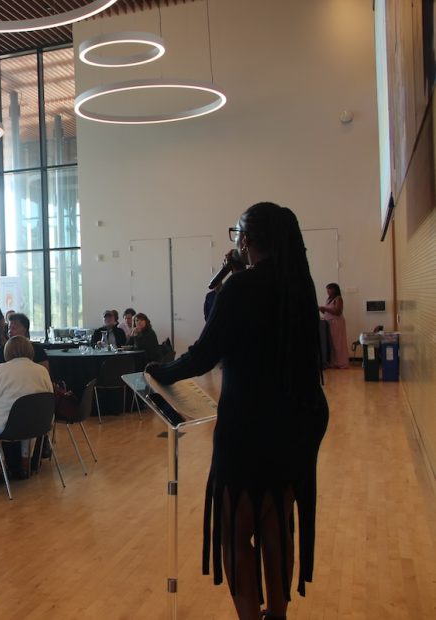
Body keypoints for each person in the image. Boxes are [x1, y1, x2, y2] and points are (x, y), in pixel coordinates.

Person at [146, 202, 329, 620]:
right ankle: (277, 615)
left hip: (248, 426)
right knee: (275, 527)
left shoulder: (241, 288)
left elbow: (204, 353)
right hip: (293, 424)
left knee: (234, 533)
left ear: (245, 240)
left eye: (237, 234)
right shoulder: (299, 286)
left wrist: (161, 371)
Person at [0, 336, 54, 479]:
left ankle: (1, 466)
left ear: (7, 351)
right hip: (39, 423)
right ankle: (25, 464)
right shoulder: (41, 370)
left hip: (5, 426)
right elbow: (49, 397)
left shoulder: (1, 369)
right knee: (29, 418)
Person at [319, 283, 349, 369]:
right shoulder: (329, 299)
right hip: (329, 322)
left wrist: (325, 308)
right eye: (327, 289)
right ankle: (334, 362)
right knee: (331, 344)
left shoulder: (338, 298)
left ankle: (342, 363)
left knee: (338, 343)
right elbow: (328, 312)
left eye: (329, 289)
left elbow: (337, 312)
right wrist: (322, 310)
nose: (327, 291)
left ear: (334, 290)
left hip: (337, 323)